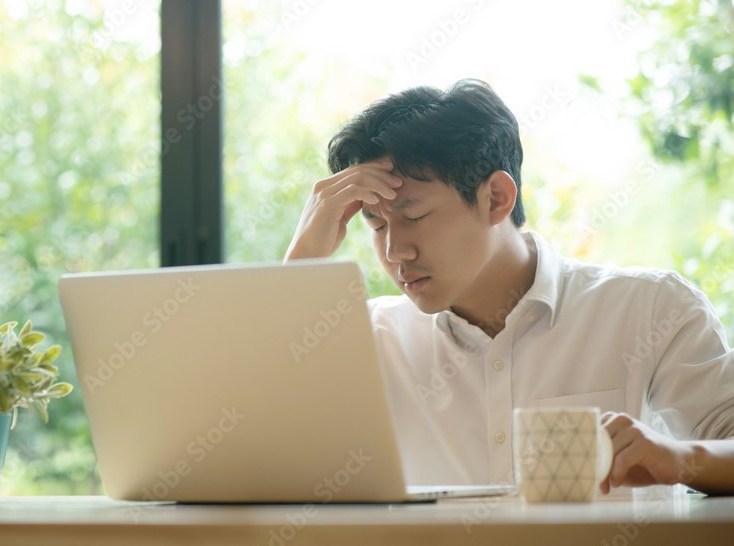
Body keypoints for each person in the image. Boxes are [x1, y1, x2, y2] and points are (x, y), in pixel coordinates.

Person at [284, 79, 734, 495]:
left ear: (496, 198)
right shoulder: (370, 339)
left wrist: (676, 457)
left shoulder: (649, 309)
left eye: (414, 216)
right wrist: (301, 259)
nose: (395, 250)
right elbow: (257, 442)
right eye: (377, 224)